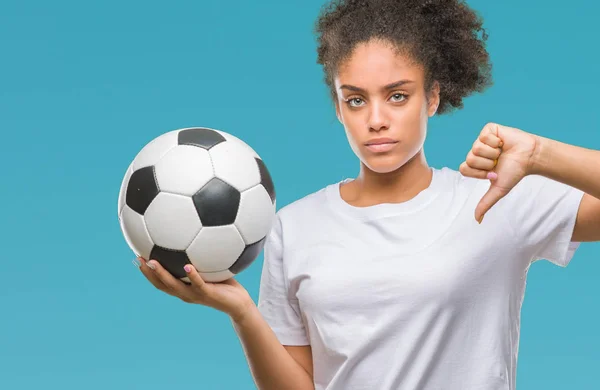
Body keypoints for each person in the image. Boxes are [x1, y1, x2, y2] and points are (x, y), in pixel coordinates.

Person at [135, 0, 600, 389]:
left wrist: (539, 153)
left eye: (397, 96)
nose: (375, 119)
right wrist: (240, 311)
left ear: (433, 97)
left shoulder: (495, 199)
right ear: (338, 107)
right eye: (356, 99)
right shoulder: (291, 228)